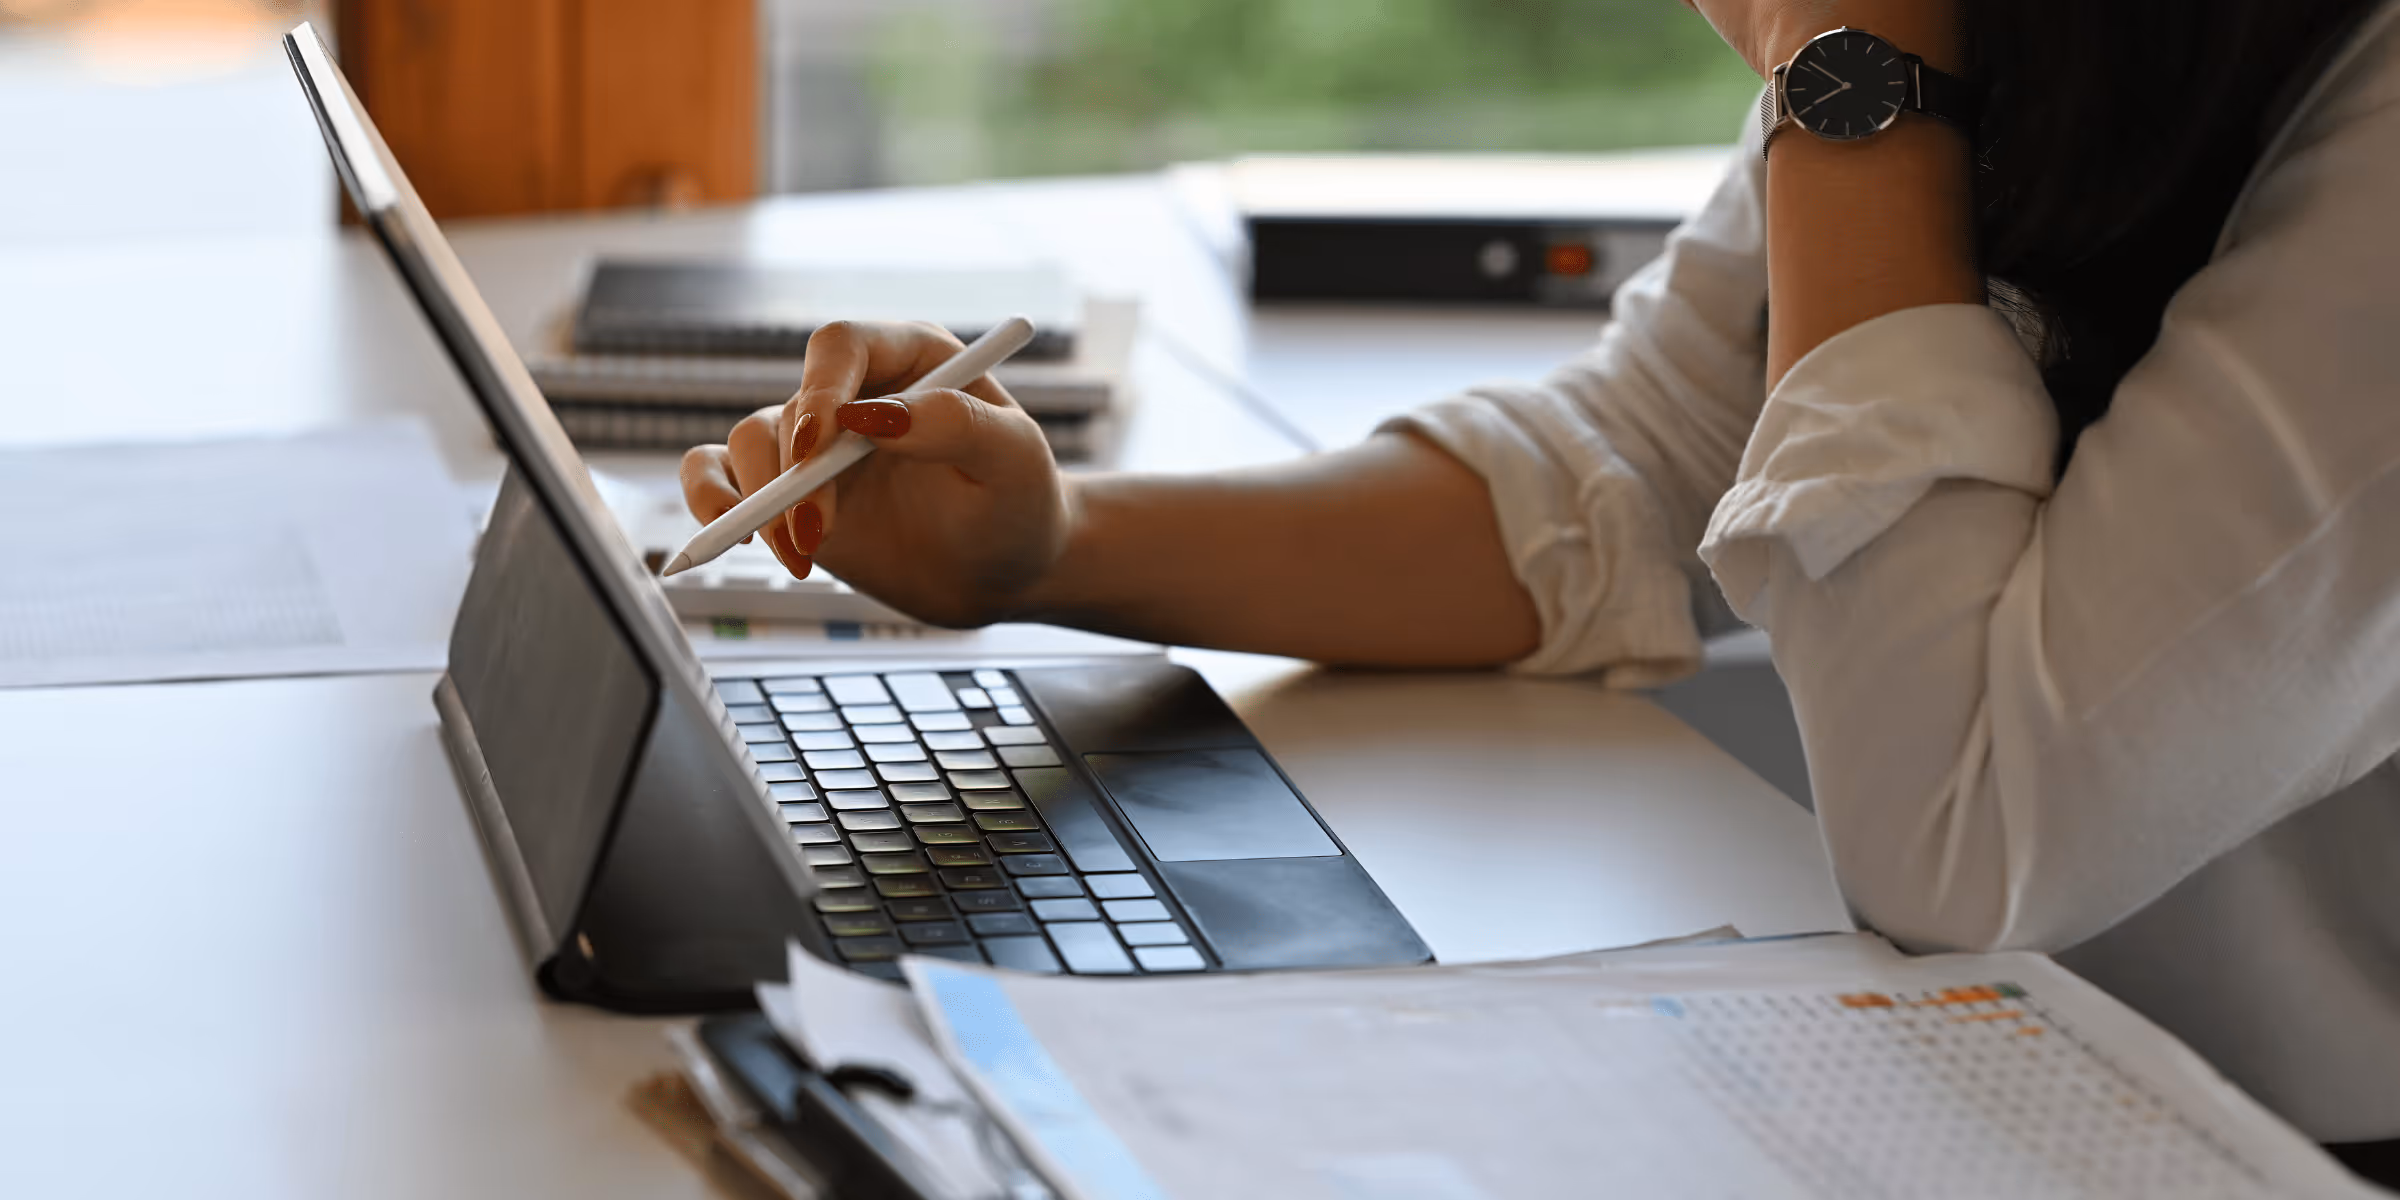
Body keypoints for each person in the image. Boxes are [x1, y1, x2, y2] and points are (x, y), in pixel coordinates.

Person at [683, 0, 2400, 1177]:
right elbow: (1636, 462)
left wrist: (1852, 84)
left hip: (2271, 1138)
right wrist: (1051, 551)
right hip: (1977, 1080)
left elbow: (1968, 838)